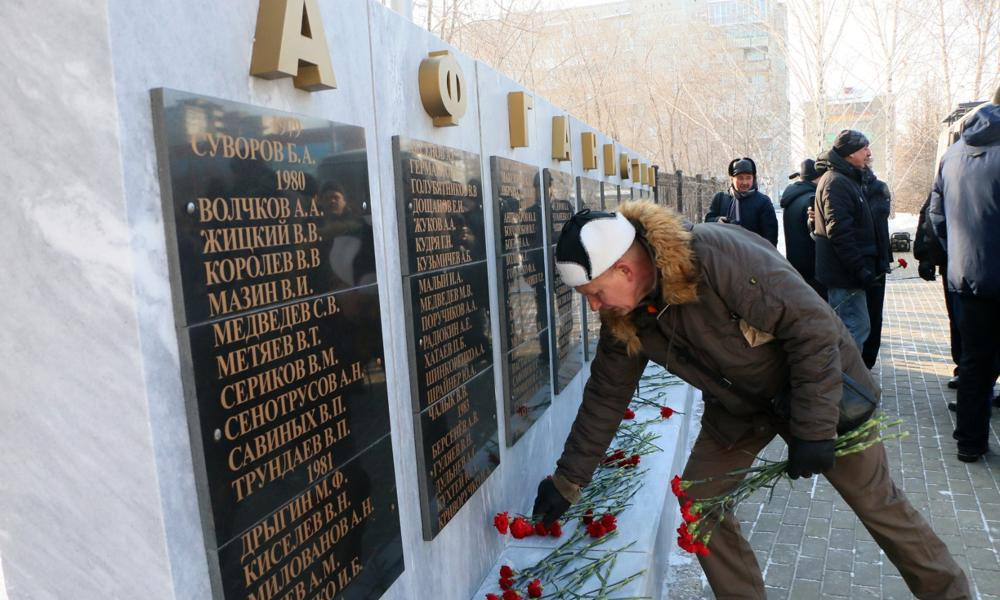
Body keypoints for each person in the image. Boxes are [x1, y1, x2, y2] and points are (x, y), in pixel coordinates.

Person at [532, 203, 970, 599]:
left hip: (819, 391)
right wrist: (568, 481)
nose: (593, 307)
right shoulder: (623, 317)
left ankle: (950, 594)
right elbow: (606, 396)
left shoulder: (714, 256)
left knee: (878, 505)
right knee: (701, 499)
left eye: (594, 292)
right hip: (739, 408)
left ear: (624, 270)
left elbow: (813, 329)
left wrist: (813, 431)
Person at [928, 99, 1000, 463]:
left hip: (967, 278)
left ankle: (969, 442)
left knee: (975, 364)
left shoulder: (954, 154)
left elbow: (936, 217)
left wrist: (959, 253)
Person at [813, 130, 880, 350]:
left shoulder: (845, 179)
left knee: (854, 328)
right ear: (850, 154)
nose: (868, 153)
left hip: (847, 274)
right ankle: (845, 383)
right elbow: (840, 232)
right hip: (844, 276)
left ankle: (847, 381)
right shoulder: (837, 182)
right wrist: (859, 269)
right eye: (864, 148)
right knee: (853, 330)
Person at [705, 157, 778, 246]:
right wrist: (716, 220)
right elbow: (708, 221)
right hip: (724, 255)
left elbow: (771, 237)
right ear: (732, 178)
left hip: (753, 256)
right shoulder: (720, 198)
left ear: (753, 178)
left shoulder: (763, 202)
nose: (744, 182)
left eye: (748, 178)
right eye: (740, 178)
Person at [780, 158, 825, 299]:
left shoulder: (791, 198)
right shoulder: (811, 199)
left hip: (796, 266)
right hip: (814, 269)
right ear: (817, 177)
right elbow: (816, 235)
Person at [861, 169, 892, 368]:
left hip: (876, 261)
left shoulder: (878, 188)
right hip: (855, 261)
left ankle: (867, 362)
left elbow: (877, 221)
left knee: (873, 314)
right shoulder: (843, 186)